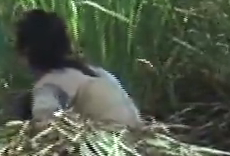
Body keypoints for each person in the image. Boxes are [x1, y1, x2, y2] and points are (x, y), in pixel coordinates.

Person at [10, 8, 143, 127]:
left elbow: (46, 129)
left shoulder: (48, 85)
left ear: (26, 51)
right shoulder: (99, 73)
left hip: (109, 144)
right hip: (136, 140)